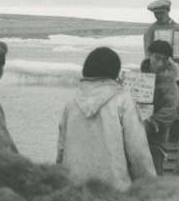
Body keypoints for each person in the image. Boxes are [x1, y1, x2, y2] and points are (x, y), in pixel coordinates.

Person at [57, 47, 155, 189]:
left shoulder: (71, 105)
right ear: (115, 71)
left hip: (74, 192)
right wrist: (150, 187)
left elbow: (61, 152)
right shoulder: (123, 102)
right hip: (114, 194)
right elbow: (138, 153)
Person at [144, 40, 179, 175]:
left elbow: (170, 110)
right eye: (157, 58)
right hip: (132, 134)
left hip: (155, 139)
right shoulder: (137, 77)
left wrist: (151, 124)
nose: (160, 64)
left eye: (165, 60)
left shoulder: (170, 84)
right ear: (149, 55)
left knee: (153, 175)